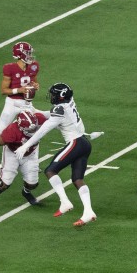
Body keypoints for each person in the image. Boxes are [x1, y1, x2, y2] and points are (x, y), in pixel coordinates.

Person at [15, 83, 99, 228]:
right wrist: (35, 111)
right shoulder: (68, 103)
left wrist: (25, 145)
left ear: (60, 96)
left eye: (53, 94)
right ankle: (88, 211)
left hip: (76, 142)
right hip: (84, 143)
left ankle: (65, 202)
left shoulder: (59, 110)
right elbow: (53, 113)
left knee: (50, 170)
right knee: (77, 179)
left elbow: (43, 130)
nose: (51, 96)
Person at [0, 42, 40, 168]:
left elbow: (34, 81)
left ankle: (33, 162)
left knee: (34, 129)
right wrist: (19, 90)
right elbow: (3, 90)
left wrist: (35, 86)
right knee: (0, 130)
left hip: (27, 104)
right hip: (12, 103)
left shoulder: (34, 66)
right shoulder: (9, 68)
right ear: (19, 55)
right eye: (27, 53)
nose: (30, 55)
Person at [0, 111, 46, 216]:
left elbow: (54, 118)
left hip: (31, 153)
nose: (33, 130)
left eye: (34, 127)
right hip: (12, 153)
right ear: (21, 127)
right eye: (30, 129)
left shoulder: (39, 119)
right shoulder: (12, 131)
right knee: (4, 184)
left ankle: (26, 192)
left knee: (32, 184)